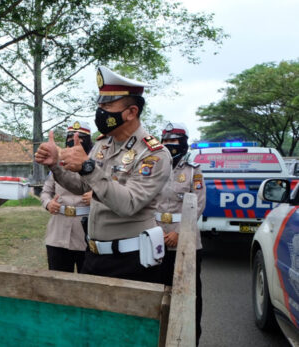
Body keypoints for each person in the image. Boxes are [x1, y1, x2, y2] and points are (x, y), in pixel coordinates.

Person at [35, 66, 171, 283]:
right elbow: (83, 186)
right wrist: (55, 166)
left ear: (131, 112)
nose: (101, 111)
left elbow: (129, 204)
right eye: (100, 104)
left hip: (131, 259)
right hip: (94, 255)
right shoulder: (103, 145)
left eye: (107, 105)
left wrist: (88, 167)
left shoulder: (153, 154)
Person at [155, 122, 206, 345]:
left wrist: (178, 232)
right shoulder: (154, 165)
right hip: (155, 239)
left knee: (188, 296)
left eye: (174, 141)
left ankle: (189, 340)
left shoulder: (193, 169)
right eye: (165, 141)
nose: (169, 145)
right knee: (156, 292)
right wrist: (155, 232)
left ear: (183, 143)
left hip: (185, 241)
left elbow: (198, 204)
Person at [40, 121, 93, 273]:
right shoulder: (57, 164)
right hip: (58, 231)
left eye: (80, 139)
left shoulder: (95, 166)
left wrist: (95, 197)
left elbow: (110, 192)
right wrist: (48, 203)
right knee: (57, 282)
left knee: (87, 282)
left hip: (86, 231)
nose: (74, 141)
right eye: (70, 137)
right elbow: (45, 192)